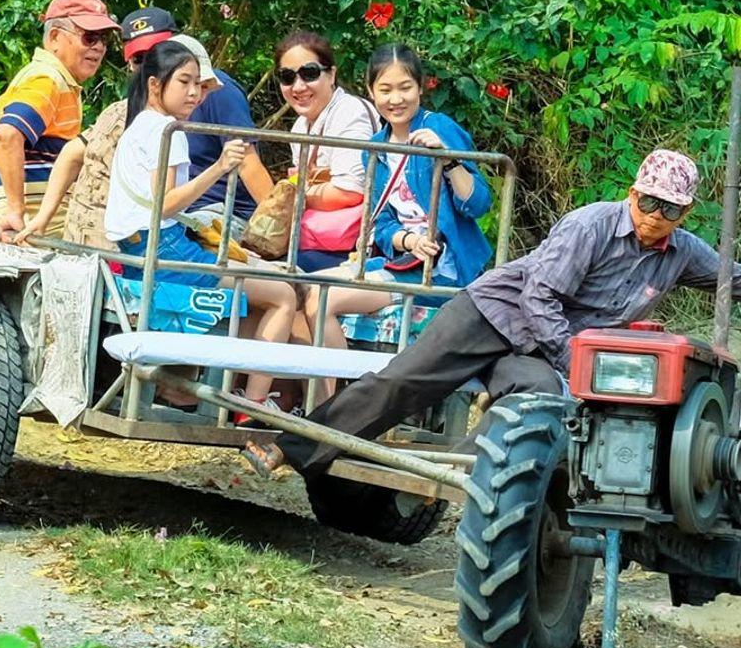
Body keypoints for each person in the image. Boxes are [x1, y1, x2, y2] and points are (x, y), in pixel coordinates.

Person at [252, 148, 741, 477]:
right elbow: (539, 298)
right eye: (650, 202)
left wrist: (565, 367)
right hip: (493, 314)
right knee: (403, 382)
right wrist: (576, 363)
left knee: (541, 395)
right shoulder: (590, 226)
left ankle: (462, 476)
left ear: (686, 213)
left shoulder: (683, 251)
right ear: (633, 194)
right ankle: (289, 447)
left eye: (670, 209)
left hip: (536, 350)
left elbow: (732, 278)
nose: (657, 216)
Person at [104, 38, 298, 411]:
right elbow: (167, 203)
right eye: (184, 82)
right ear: (155, 85)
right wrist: (220, 167)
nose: (194, 93)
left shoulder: (141, 124)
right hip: (163, 245)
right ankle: (253, 404)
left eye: (199, 84)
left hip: (138, 245)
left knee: (259, 294)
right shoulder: (169, 131)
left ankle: (203, 386)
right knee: (283, 296)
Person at [300, 44, 493, 401]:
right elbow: (384, 223)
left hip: (442, 270)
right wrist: (408, 240)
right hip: (401, 261)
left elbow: (478, 203)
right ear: (371, 92)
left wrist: (448, 160)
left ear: (421, 87)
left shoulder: (439, 127)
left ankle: (336, 409)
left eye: (405, 87)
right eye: (385, 90)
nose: (396, 98)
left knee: (321, 302)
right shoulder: (375, 145)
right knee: (300, 288)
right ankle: (325, 404)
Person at [14, 7, 272, 249]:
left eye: (156, 54)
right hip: (151, 225)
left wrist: (277, 232)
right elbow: (74, 153)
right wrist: (41, 219)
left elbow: (247, 163)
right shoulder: (129, 110)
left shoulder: (212, 94)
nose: (152, 64)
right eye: (141, 59)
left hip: (206, 211)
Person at [0, 0, 120, 239]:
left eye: (104, 38)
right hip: (33, 235)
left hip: (26, 232)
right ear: (54, 37)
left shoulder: (41, 77)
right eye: (89, 37)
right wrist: (15, 210)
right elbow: (7, 134)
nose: (98, 47)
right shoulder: (47, 80)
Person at [275, 30, 380, 272]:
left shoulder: (349, 112)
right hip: (318, 241)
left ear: (331, 74)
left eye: (309, 74)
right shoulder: (300, 126)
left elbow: (349, 192)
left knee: (274, 283)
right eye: (287, 77)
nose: (298, 86)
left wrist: (294, 193)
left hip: (357, 246)